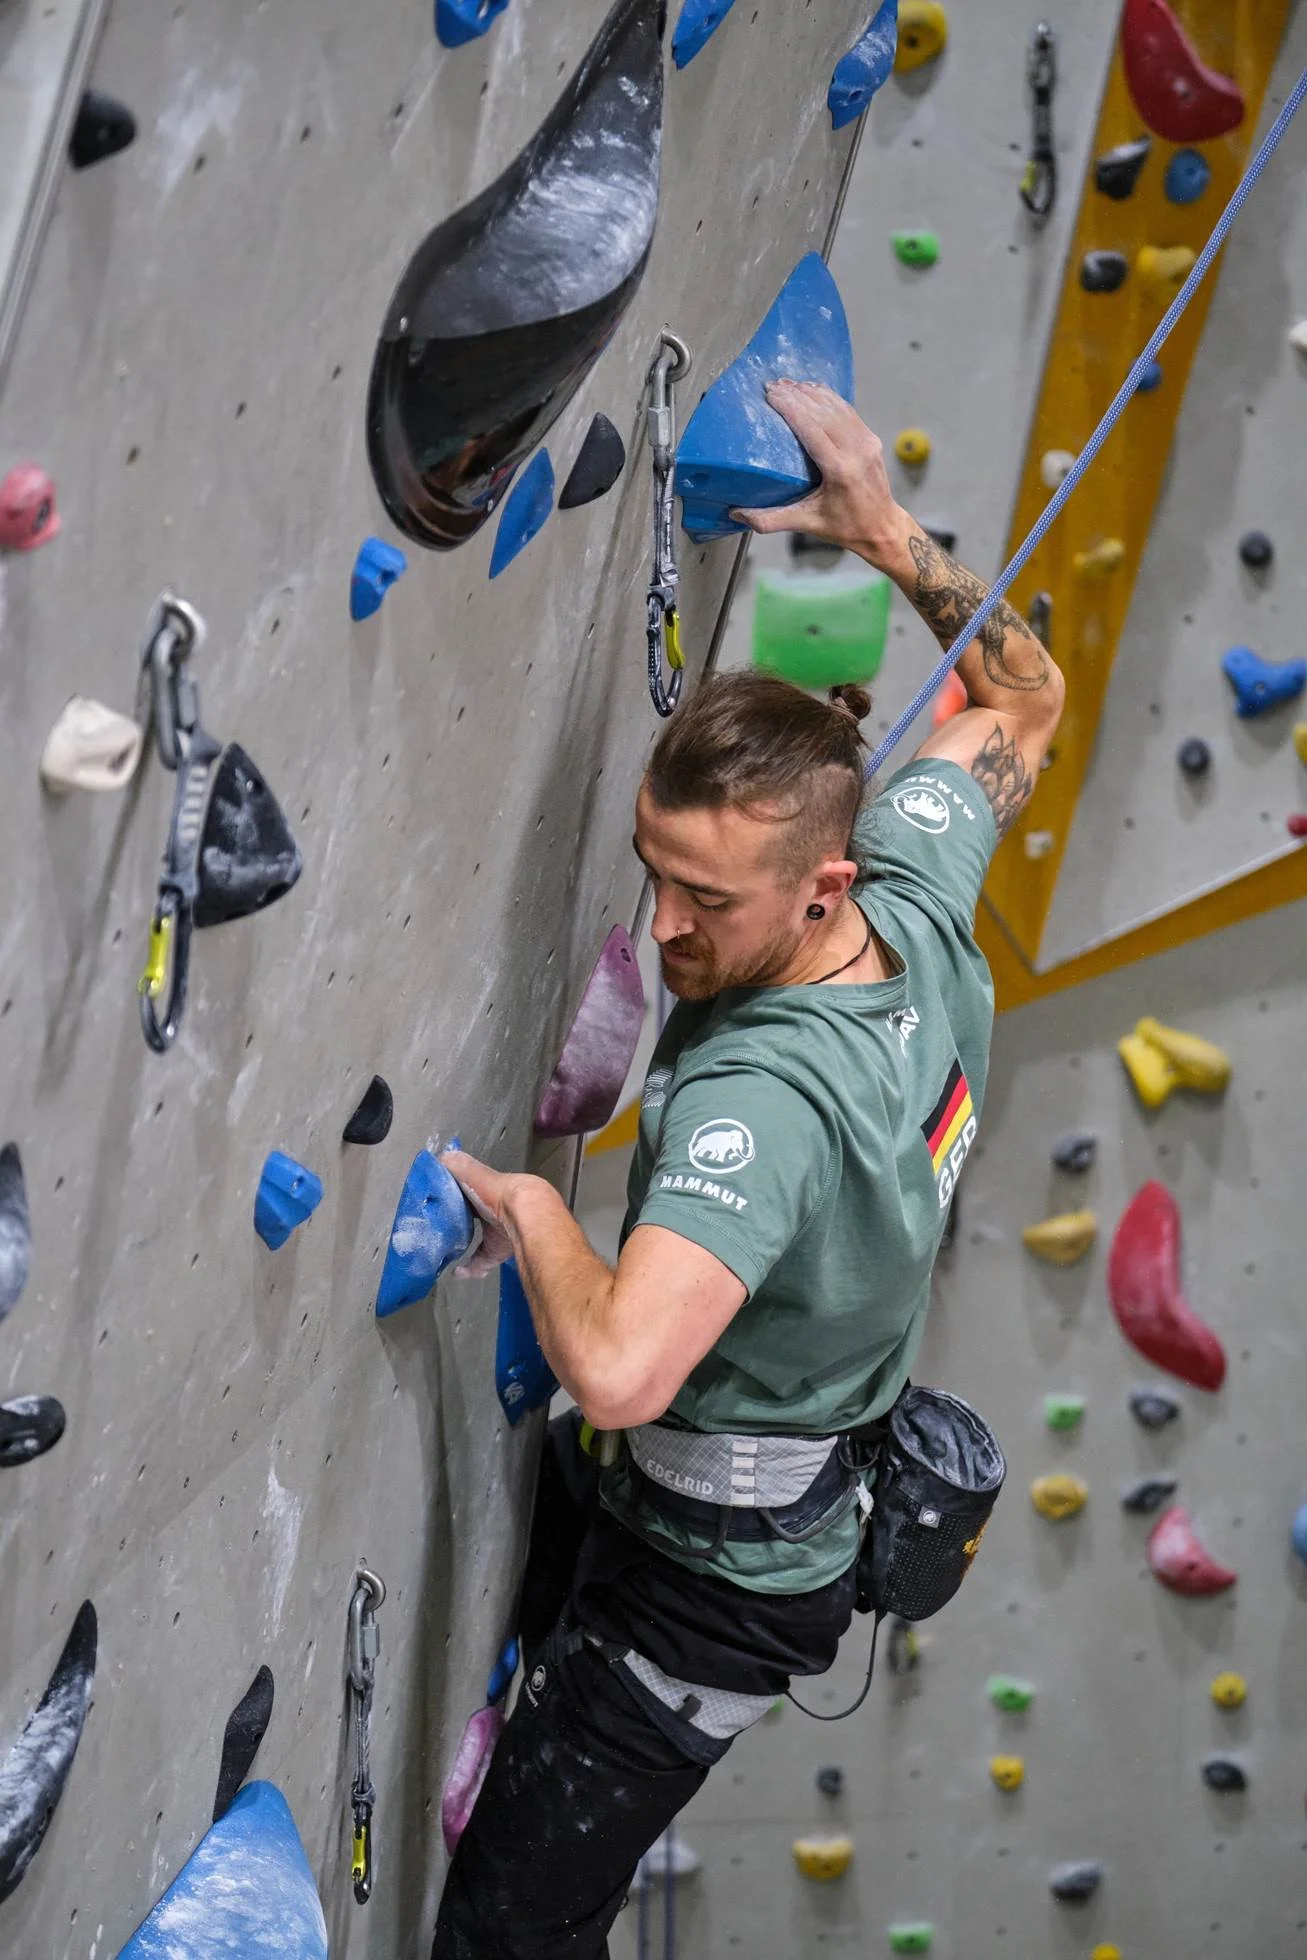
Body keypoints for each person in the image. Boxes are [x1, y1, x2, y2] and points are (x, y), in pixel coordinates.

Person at [431, 382, 1064, 1959]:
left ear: (817, 884)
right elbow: (1026, 694)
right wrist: (880, 526)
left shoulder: (767, 1105)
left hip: (704, 1593)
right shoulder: (909, 881)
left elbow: (623, 1366)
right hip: (747, 1509)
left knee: (507, 1939)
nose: (661, 930)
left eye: (703, 899)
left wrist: (524, 1206)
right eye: (653, 873)